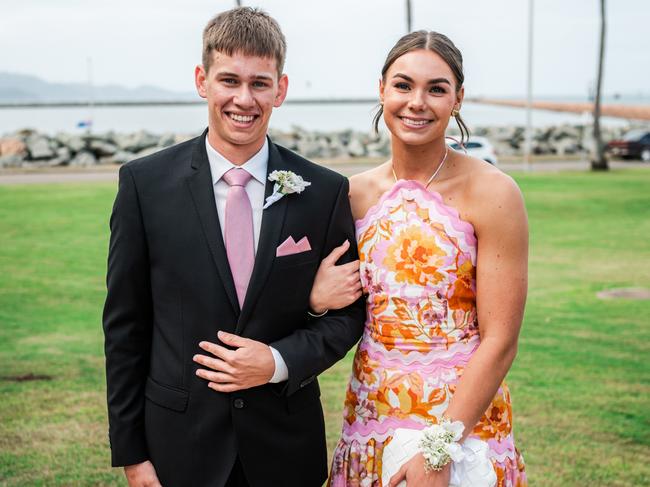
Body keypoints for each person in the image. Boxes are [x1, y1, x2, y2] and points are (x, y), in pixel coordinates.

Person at [102, 7, 365, 487]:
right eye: (229, 80)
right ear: (203, 81)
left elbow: (349, 316)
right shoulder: (144, 184)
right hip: (179, 445)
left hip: (285, 448)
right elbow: (125, 327)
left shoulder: (323, 192)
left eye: (260, 83)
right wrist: (133, 455)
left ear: (280, 89)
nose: (244, 99)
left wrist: (277, 361)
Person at [310, 31, 529, 486]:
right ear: (382, 90)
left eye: (437, 89)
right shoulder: (349, 196)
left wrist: (439, 450)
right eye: (404, 85)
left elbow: (501, 340)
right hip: (372, 418)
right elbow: (325, 312)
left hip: (462, 428)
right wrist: (314, 299)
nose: (417, 102)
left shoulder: (495, 193)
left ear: (458, 99)